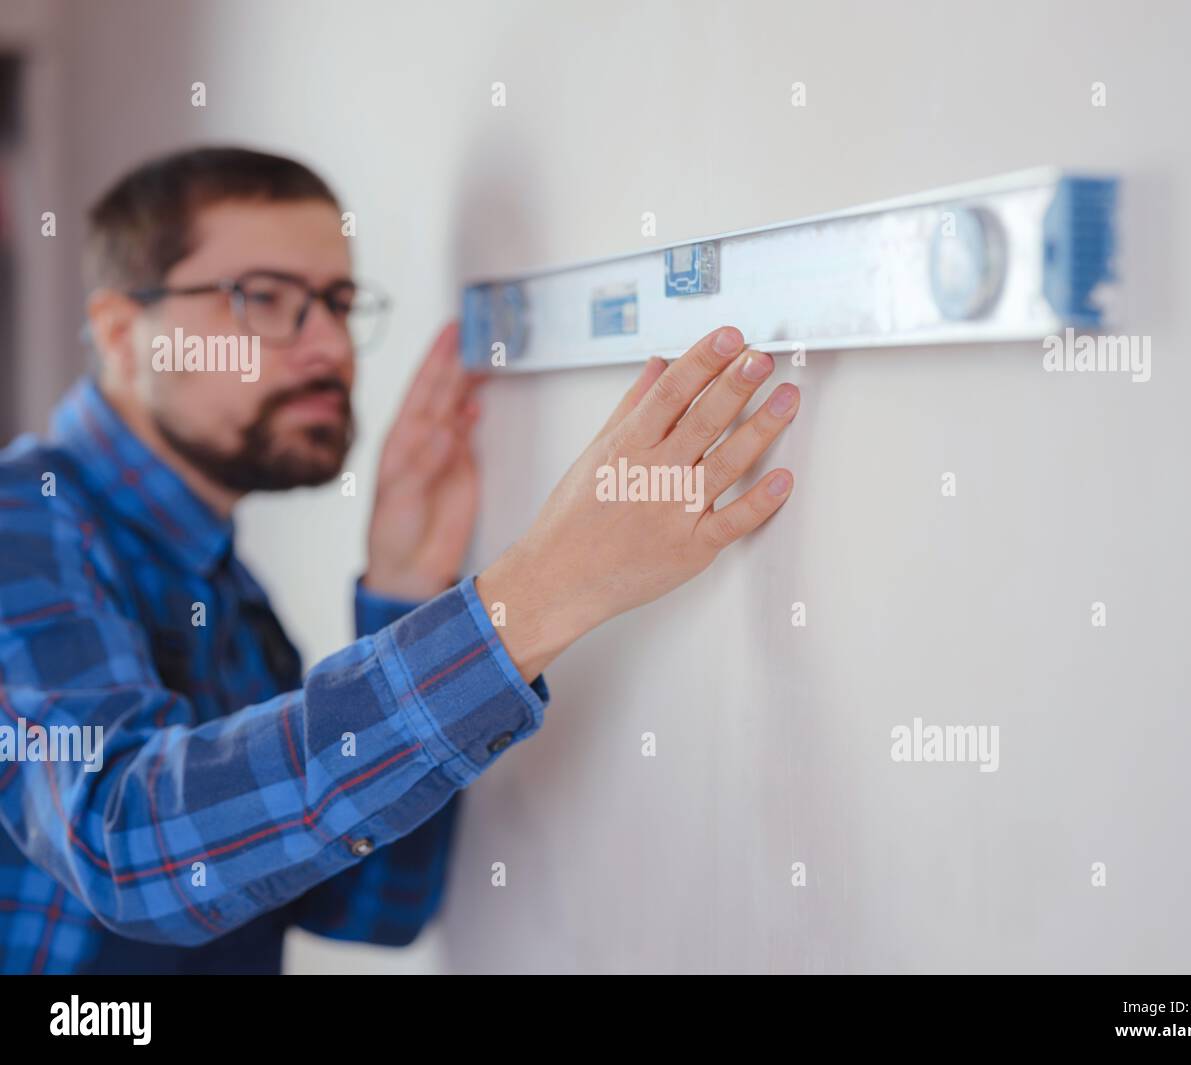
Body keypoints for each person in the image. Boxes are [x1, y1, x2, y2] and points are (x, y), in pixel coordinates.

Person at [0, 146, 799, 974]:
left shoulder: (218, 584)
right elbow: (126, 844)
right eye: (265, 300)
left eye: (337, 302)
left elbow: (371, 906)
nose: (328, 349)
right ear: (124, 333)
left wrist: (404, 591)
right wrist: (537, 591)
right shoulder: (20, 520)